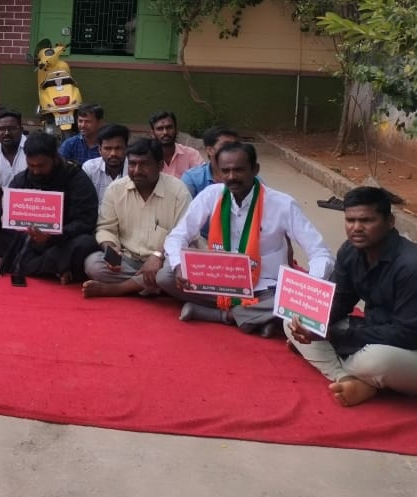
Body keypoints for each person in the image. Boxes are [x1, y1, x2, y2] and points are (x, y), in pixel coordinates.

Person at [159, 141, 333, 336]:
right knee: (166, 277)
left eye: (239, 170)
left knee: (311, 298)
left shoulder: (282, 204)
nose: (231, 177)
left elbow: (320, 253)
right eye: (225, 171)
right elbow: (178, 235)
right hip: (219, 281)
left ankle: (224, 315)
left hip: (266, 287)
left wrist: (310, 291)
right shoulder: (211, 195)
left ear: (255, 169)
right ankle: (258, 318)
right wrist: (179, 265)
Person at [286, 187, 417, 407]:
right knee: (293, 318)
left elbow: (407, 334)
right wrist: (315, 325)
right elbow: (339, 300)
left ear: (390, 222)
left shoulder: (410, 265)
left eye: (366, 220)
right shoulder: (350, 251)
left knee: (375, 361)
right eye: (350, 220)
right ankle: (347, 378)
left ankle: (353, 372)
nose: (356, 228)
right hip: (375, 332)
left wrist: (334, 336)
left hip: (407, 347)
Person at [0, 131, 99, 285]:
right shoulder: (22, 179)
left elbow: (85, 221)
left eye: (41, 166)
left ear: (55, 158)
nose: (36, 171)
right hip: (25, 239)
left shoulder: (76, 179)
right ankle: (57, 269)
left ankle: (12, 264)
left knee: (86, 243)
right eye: (31, 166)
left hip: (61, 241)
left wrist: (52, 235)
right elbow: (5, 214)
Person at [81, 139, 191, 298]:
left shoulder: (178, 191)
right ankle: (151, 285)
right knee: (93, 264)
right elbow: (105, 228)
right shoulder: (116, 189)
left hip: (163, 260)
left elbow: (183, 235)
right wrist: (110, 248)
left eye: (144, 164)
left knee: (170, 272)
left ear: (160, 166)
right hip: (128, 259)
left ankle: (117, 289)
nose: (137, 170)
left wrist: (157, 256)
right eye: (132, 164)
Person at [181, 125, 240, 197]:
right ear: (210, 150)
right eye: (226, 145)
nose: (233, 149)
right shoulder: (192, 179)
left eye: (236, 145)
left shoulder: (247, 177)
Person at [81, 123, 129, 204]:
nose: (113, 153)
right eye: (108, 148)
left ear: (126, 149)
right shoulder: (90, 168)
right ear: (99, 150)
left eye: (118, 148)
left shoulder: (135, 170)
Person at [149, 110, 203, 177]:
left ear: (176, 130)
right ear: (152, 133)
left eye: (169, 127)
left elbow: (202, 178)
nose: (165, 132)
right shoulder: (148, 157)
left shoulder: (191, 154)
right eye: (160, 129)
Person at [0, 109, 26, 188]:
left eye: (11, 128)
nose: (7, 133)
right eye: (2, 129)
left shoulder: (35, 152)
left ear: (21, 130)